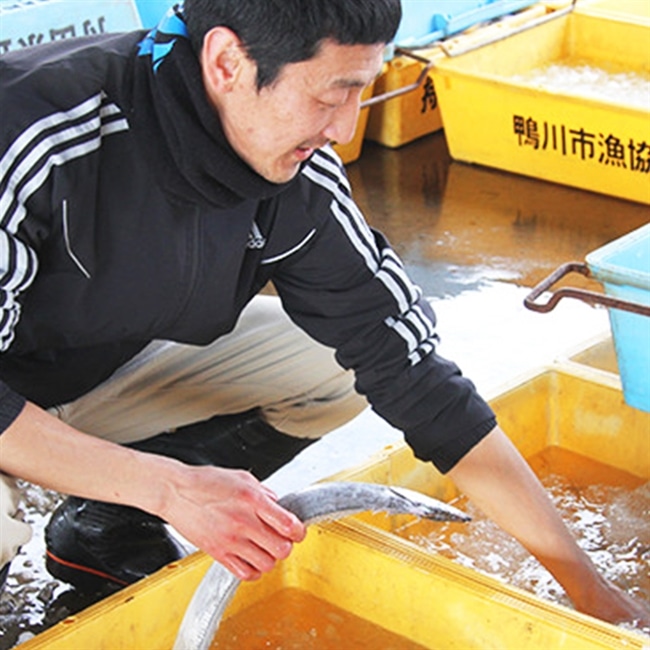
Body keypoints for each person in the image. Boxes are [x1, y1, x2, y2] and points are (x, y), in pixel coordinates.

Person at [0, 0, 647, 629]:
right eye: (330, 94)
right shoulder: (36, 134)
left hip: (103, 366)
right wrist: (168, 486)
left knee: (327, 372)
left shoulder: (298, 178)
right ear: (227, 61)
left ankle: (107, 517)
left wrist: (591, 592)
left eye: (361, 90)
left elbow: (420, 380)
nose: (344, 128)